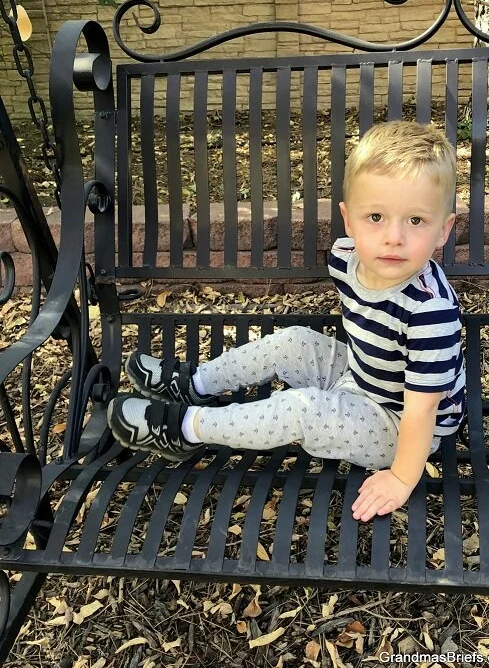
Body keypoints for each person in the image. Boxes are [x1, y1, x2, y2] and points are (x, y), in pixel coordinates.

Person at [107, 120, 466, 522]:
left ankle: (185, 429)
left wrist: (400, 478)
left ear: (443, 230)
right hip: (362, 374)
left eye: (415, 221)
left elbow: (422, 412)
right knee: (293, 340)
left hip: (401, 425)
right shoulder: (345, 258)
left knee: (301, 410)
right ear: (349, 221)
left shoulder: (430, 311)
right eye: (376, 216)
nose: (393, 237)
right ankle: (196, 384)